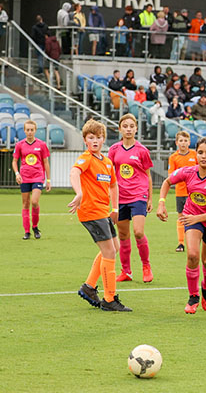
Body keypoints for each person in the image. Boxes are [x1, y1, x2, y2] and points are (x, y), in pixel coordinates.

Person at [157, 137, 206, 314]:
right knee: (192, 255)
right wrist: (161, 203)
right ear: (195, 154)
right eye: (200, 152)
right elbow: (167, 182)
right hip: (192, 218)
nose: (203, 156)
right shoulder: (188, 171)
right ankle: (193, 296)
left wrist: (197, 218)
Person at [69, 119, 132, 312]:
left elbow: (113, 185)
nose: (95, 141)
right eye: (91, 137)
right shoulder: (86, 158)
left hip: (103, 211)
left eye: (98, 137)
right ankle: (109, 299)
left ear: (104, 139)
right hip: (91, 211)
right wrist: (79, 193)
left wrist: (115, 208)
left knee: (114, 248)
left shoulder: (107, 162)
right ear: (85, 140)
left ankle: (89, 287)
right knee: (110, 251)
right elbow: (74, 172)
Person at [108, 114, 154, 283]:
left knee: (138, 232)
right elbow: (109, 173)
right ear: (120, 129)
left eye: (131, 126)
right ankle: (126, 271)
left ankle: (146, 266)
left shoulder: (142, 151)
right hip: (120, 196)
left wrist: (150, 198)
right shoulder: (114, 149)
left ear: (136, 129)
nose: (128, 129)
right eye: (125, 126)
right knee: (123, 234)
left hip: (138, 195)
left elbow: (148, 175)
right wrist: (109, 193)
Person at [12, 120, 51, 239]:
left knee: (34, 201)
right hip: (24, 177)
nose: (29, 132)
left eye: (32, 130)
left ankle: (35, 226)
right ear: (24, 131)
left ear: (35, 130)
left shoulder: (41, 144)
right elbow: (14, 161)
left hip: (38, 177)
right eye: (27, 130)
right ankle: (27, 231)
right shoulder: (19, 145)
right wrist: (17, 174)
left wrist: (48, 180)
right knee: (25, 204)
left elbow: (46, 162)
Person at [167, 131, 198, 253]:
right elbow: (171, 175)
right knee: (181, 217)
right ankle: (181, 243)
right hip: (180, 192)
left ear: (189, 142)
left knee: (195, 216)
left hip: (193, 192)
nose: (183, 143)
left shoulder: (194, 155)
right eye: (181, 141)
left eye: (185, 141)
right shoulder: (173, 157)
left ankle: (195, 241)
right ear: (176, 143)